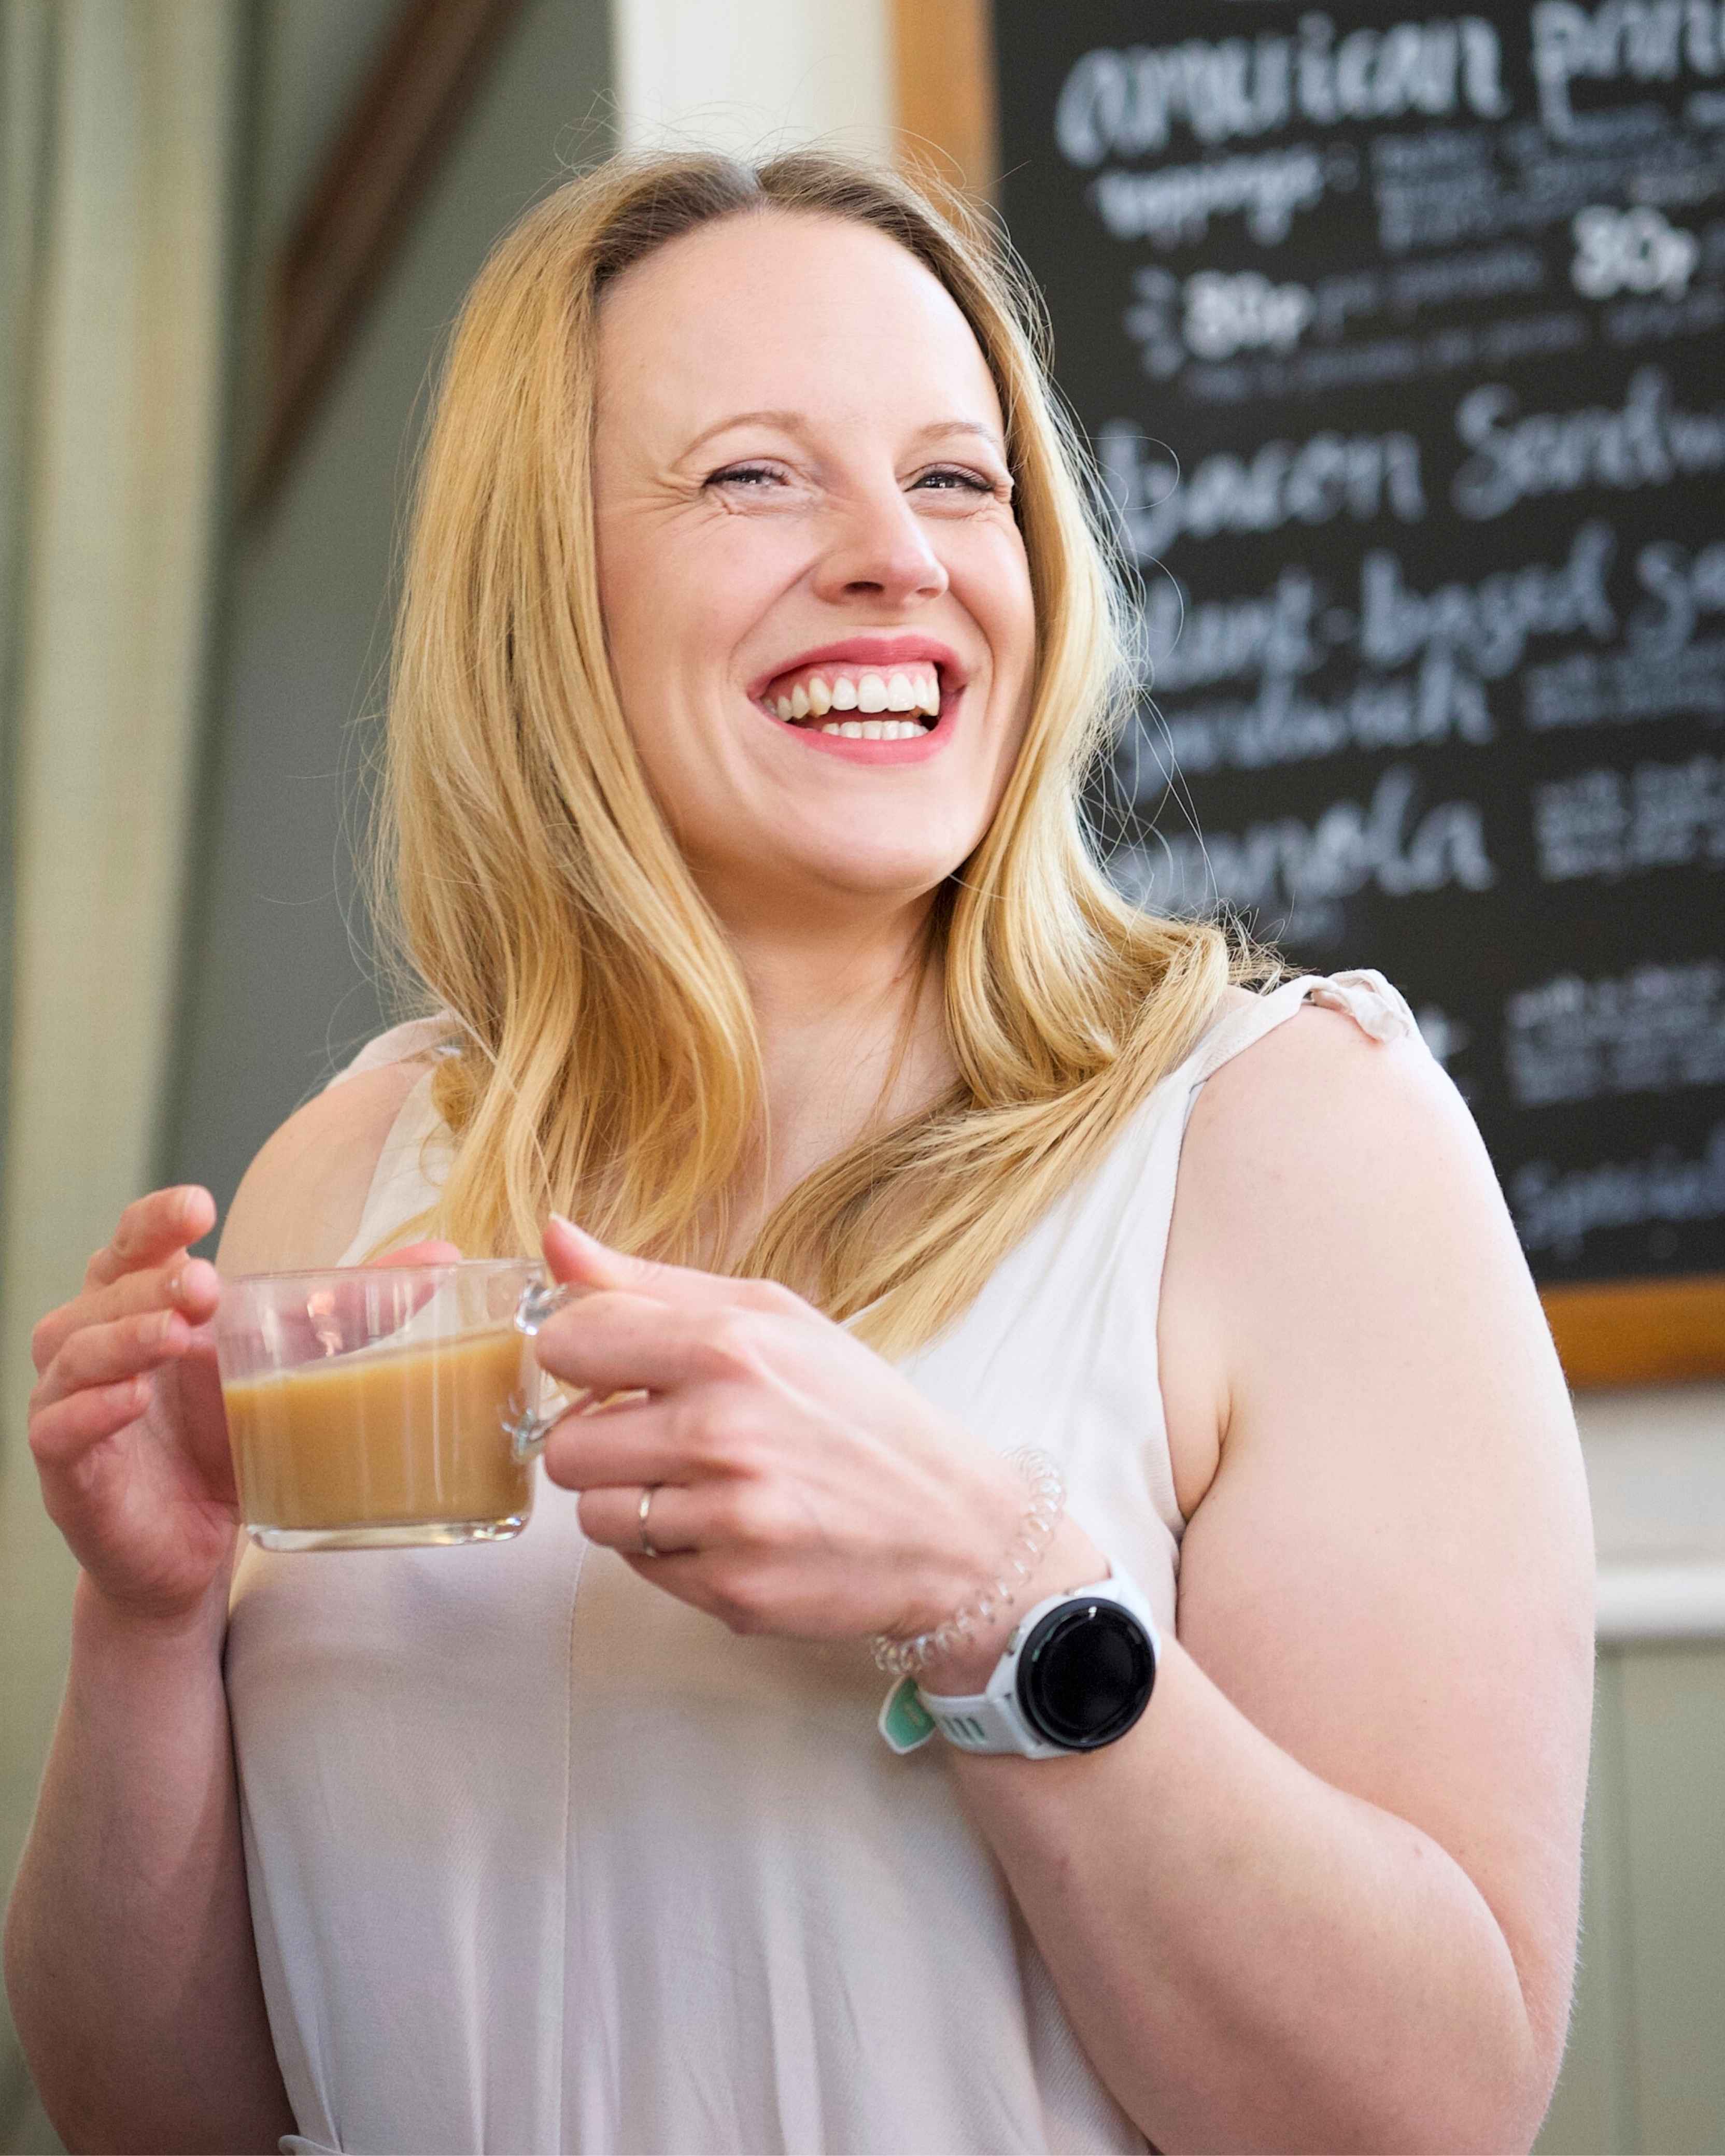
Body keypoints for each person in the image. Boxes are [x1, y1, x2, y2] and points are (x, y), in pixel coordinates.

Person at [7, 150, 1593, 2155]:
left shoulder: (1295, 1144)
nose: (897, 558)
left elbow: (1433, 2110)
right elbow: (156, 2120)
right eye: (756, 475)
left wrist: (990, 1583)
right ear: (540, 588)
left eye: (956, 479)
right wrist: (147, 1622)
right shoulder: (356, 1172)